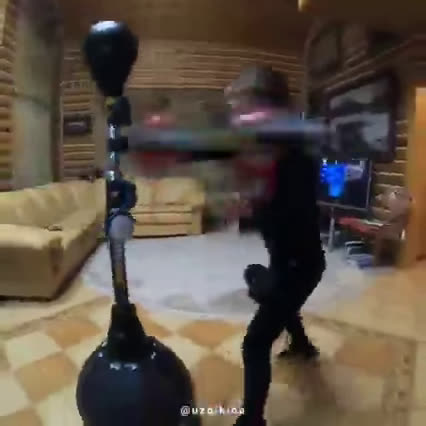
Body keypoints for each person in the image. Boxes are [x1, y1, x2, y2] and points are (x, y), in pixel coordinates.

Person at [226, 66, 326, 426]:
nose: (238, 120)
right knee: (258, 277)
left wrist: (254, 208)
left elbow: (289, 217)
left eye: (242, 109)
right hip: (291, 262)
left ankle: (251, 420)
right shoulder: (275, 154)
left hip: (300, 266)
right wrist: (251, 204)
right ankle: (302, 345)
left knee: (254, 343)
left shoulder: (294, 160)